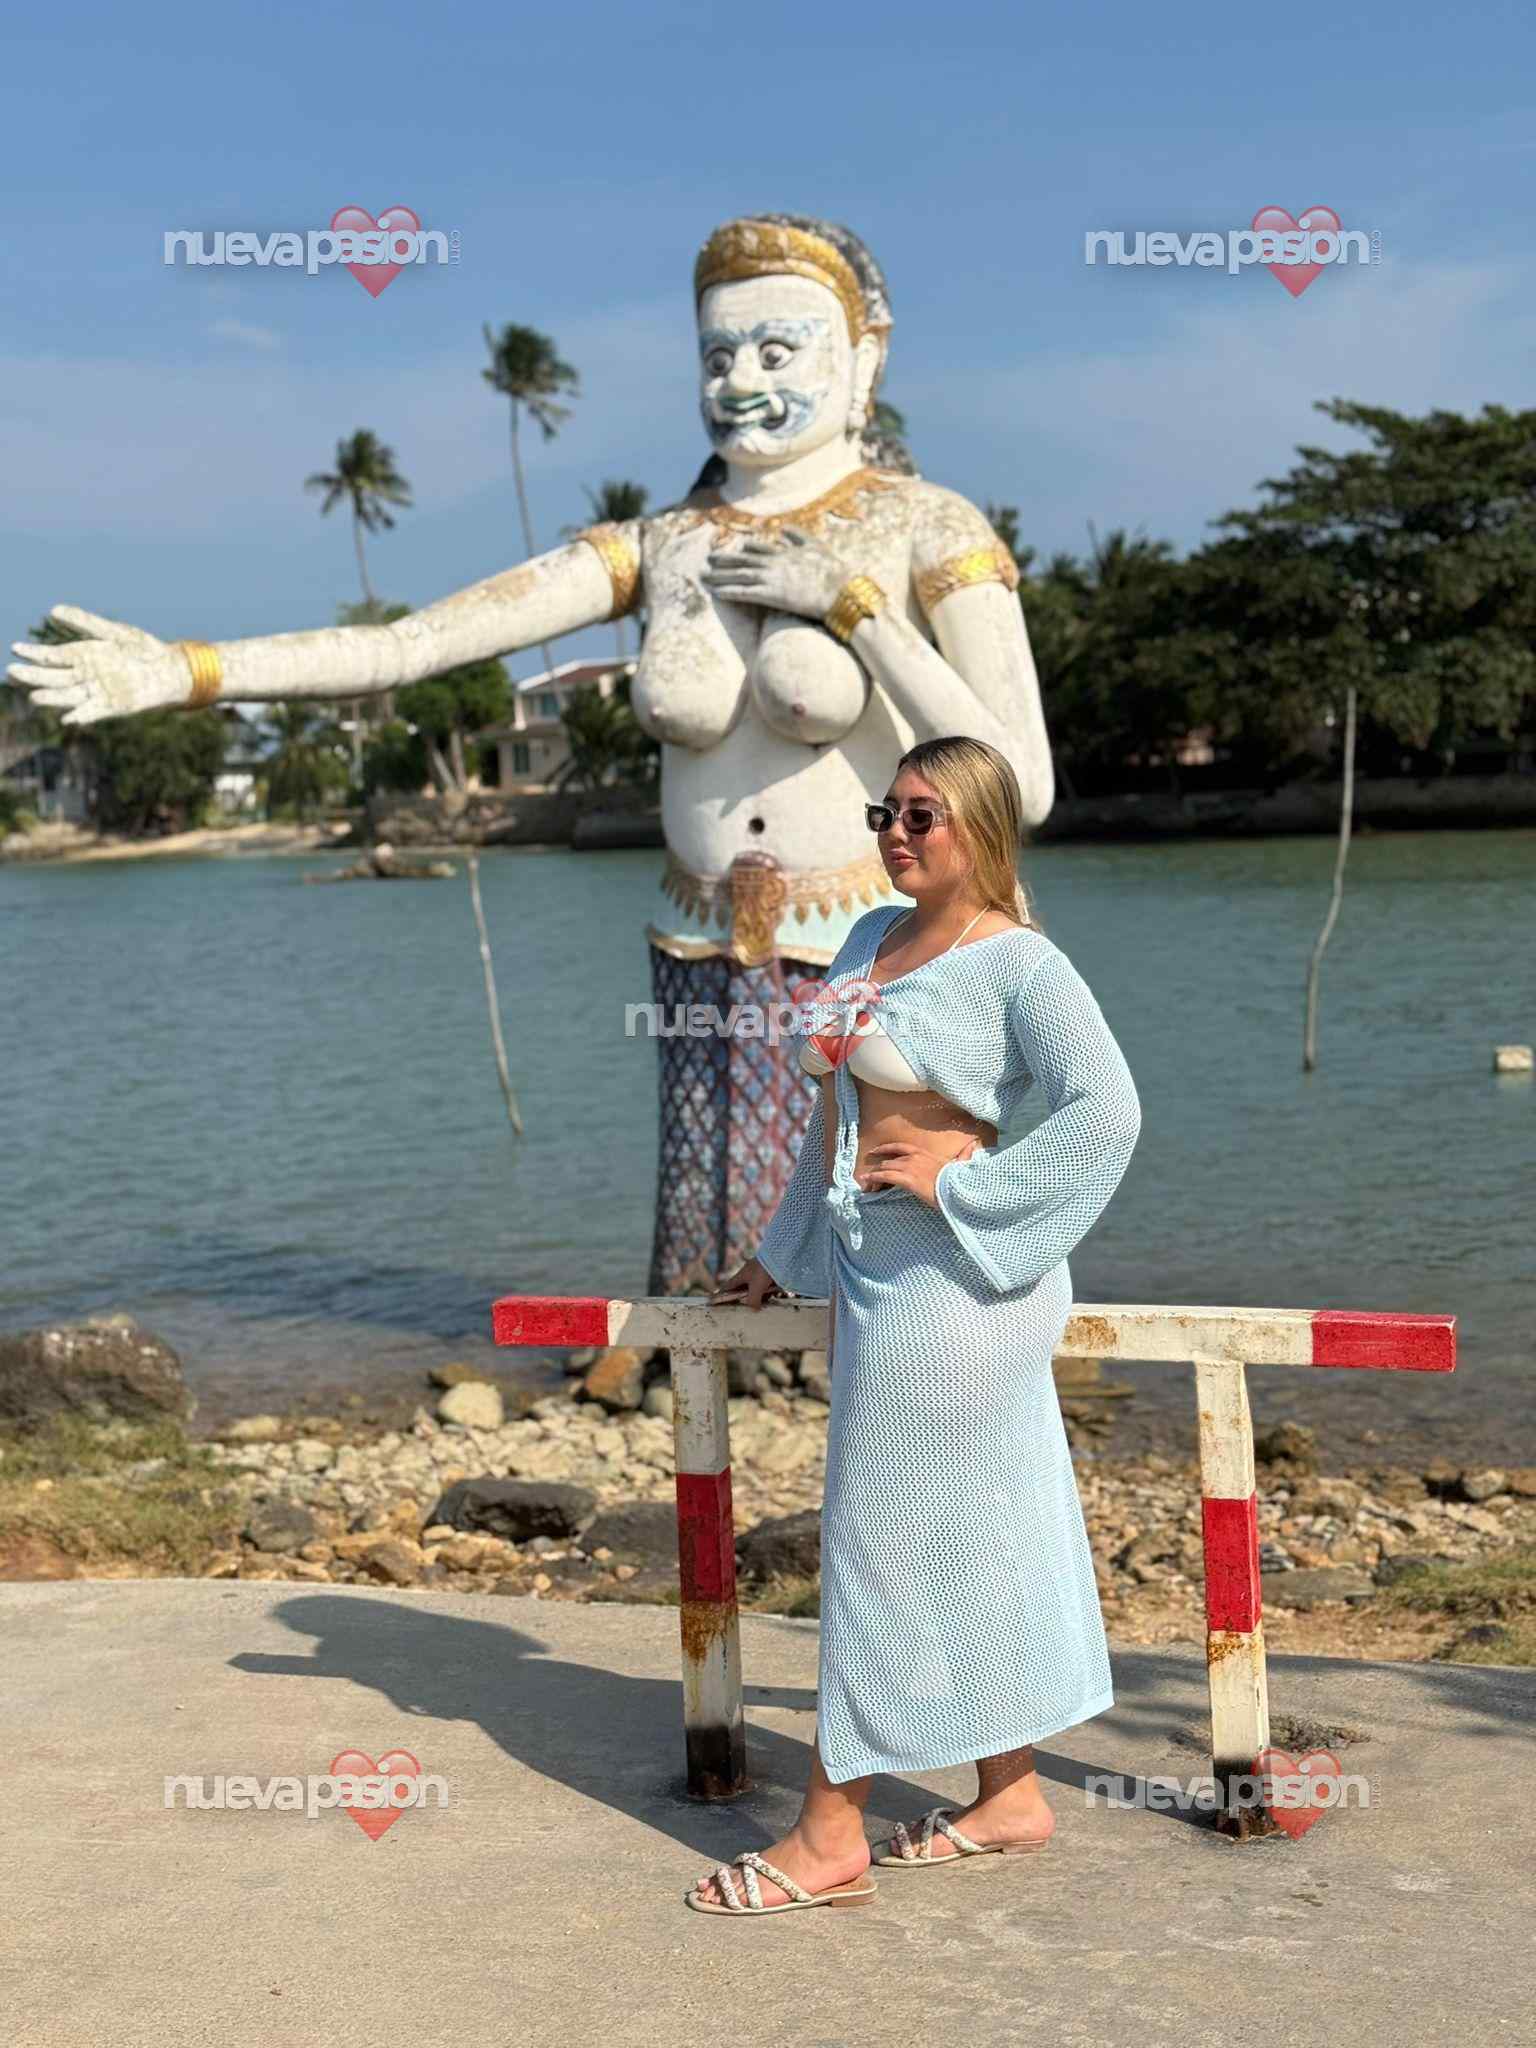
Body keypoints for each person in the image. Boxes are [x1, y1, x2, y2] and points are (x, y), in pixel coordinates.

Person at [4, 212, 1056, 1297]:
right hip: (699, 942)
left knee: (877, 1215)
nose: (741, 381)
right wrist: (185, 670)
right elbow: (410, 645)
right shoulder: (659, 544)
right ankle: (695, 1356)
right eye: (717, 355)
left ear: (865, 359)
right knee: (709, 1208)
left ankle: (913, 1352)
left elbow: (1022, 782)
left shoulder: (923, 525)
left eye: (778, 351)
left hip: (877, 947)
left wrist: (853, 606)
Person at [689, 733, 1141, 1917]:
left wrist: (965, 1184)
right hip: (871, 1270)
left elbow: (1108, 1112)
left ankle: (830, 1828)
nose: (895, 831)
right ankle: (1011, 1793)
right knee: (971, 1531)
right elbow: (836, 1119)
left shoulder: (1022, 963)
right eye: (886, 811)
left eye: (921, 815)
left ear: (980, 828)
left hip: (959, 1284)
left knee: (876, 1543)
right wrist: (777, 1252)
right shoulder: (866, 940)